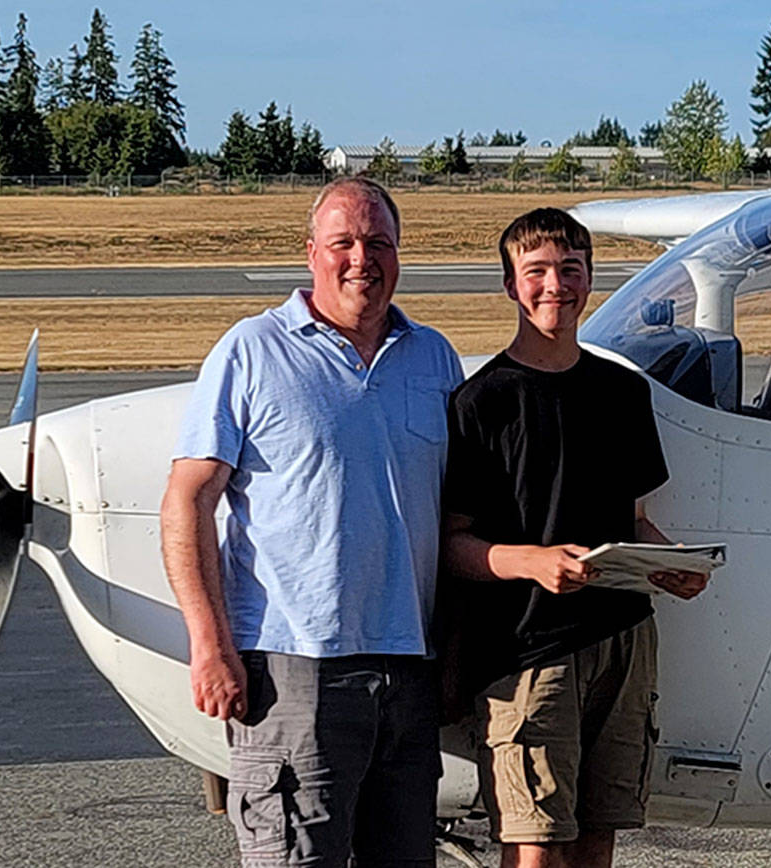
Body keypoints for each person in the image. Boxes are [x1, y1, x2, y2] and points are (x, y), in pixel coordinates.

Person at [160, 177, 462, 868]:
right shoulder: (251, 351)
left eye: (379, 243)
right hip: (292, 668)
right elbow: (189, 500)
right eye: (343, 243)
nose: (363, 259)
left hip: (409, 670)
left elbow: (451, 514)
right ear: (311, 254)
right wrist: (210, 645)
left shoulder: (434, 357)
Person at [442, 207, 708, 868]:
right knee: (533, 850)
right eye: (535, 272)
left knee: (597, 842)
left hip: (622, 639)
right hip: (529, 654)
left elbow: (633, 519)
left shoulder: (622, 392)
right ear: (510, 285)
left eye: (569, 269)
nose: (554, 285)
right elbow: (452, 545)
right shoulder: (481, 403)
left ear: (589, 279)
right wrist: (531, 562)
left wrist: (669, 564)